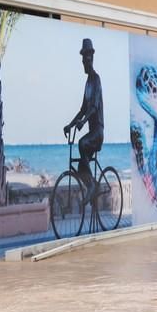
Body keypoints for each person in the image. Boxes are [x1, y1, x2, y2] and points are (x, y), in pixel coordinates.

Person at [64, 38, 104, 205]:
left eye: (84, 59)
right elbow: (82, 109)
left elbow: (93, 108)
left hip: (98, 133)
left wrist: (83, 122)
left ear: (89, 58)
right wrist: (71, 124)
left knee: (81, 143)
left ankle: (94, 187)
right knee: (81, 167)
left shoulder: (96, 79)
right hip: (91, 133)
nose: (83, 62)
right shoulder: (87, 83)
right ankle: (91, 188)